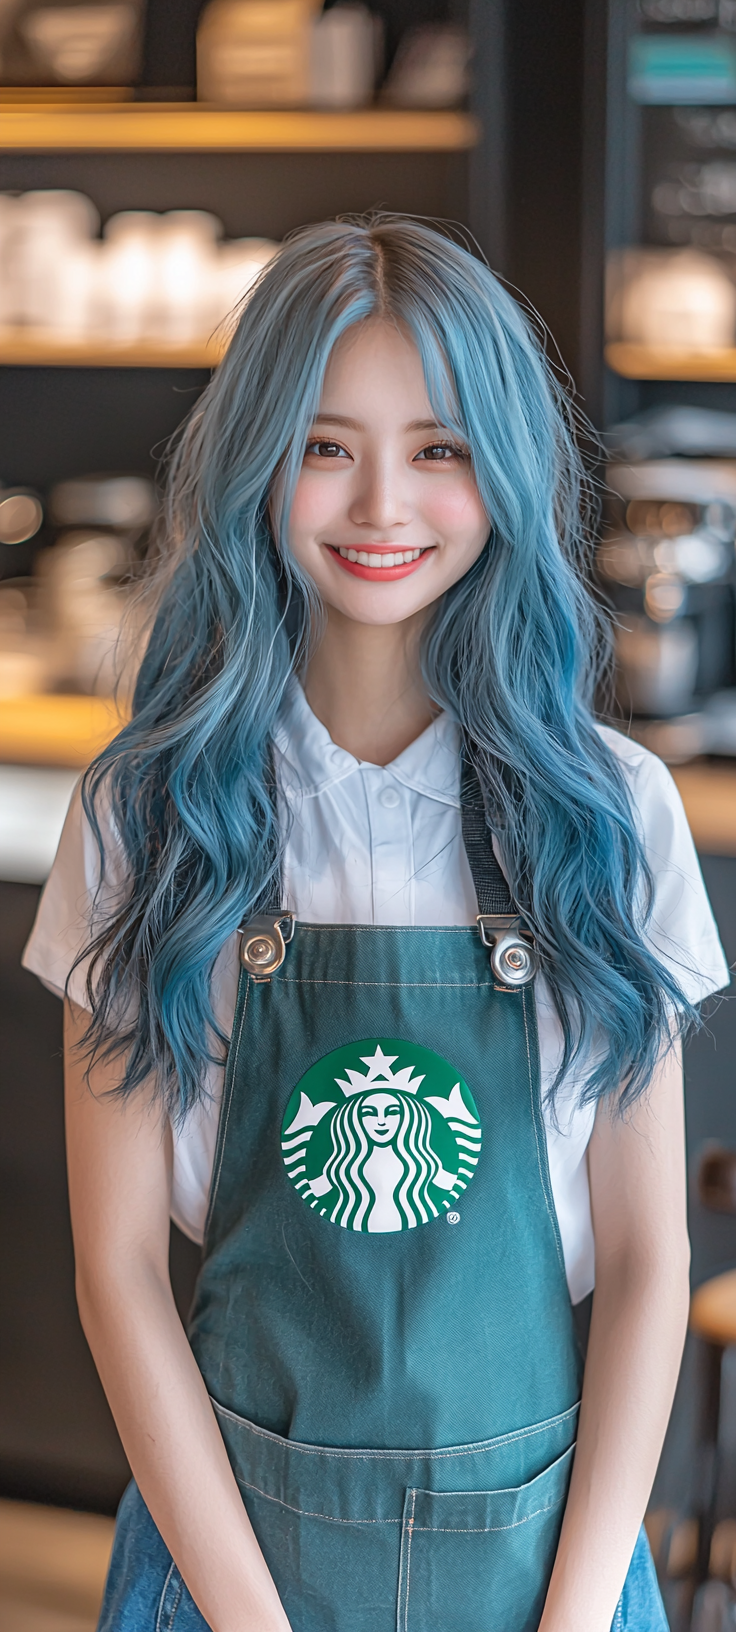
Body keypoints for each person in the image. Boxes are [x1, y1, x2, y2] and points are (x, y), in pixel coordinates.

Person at [23, 215, 729, 1632]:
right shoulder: (145, 817)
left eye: (440, 449)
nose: (381, 507)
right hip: (226, 1574)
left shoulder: (613, 812)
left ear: (505, 473)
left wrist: (579, 1615)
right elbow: (113, 1274)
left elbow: (652, 1263)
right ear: (256, 462)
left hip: (551, 1573)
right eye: (326, 445)